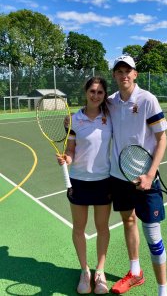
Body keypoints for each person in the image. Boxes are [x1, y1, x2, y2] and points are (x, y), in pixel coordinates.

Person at [108, 55, 167, 296]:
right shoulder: (111, 102)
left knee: (153, 236)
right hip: (119, 176)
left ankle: (162, 290)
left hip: (145, 178)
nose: (124, 75)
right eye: (119, 71)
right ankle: (135, 272)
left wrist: (150, 174)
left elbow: (162, 138)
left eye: (128, 70)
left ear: (135, 74)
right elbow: (93, 111)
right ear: (114, 75)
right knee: (128, 220)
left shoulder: (148, 100)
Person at [57, 76, 112, 295]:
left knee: (102, 228)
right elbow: (71, 150)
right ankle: (84, 271)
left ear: (104, 95)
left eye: (100, 92)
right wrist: (66, 159)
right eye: (92, 91)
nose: (95, 95)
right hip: (78, 181)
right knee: (79, 228)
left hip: (104, 181)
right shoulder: (74, 120)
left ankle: (100, 271)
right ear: (86, 92)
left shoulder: (110, 117)